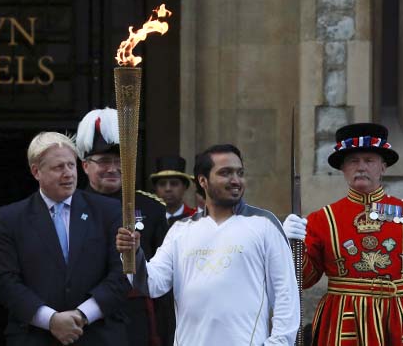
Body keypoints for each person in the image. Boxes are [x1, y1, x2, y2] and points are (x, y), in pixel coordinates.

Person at [283, 123, 403, 346]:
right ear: (343, 168)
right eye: (353, 161)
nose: (361, 167)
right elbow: (305, 279)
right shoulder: (323, 219)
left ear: (383, 167)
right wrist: (292, 245)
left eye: (369, 160)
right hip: (343, 326)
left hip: (400, 323)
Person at [117, 144, 300, 345]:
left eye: (240, 173)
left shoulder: (264, 224)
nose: (236, 180)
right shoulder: (181, 230)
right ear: (203, 181)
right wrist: (132, 252)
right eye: (225, 173)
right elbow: (151, 284)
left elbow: (286, 294)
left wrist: (279, 343)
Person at [0, 132, 131, 346]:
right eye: (58, 167)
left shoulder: (107, 212)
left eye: (71, 165)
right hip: (35, 337)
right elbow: (6, 281)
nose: (69, 174)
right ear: (36, 171)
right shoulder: (10, 219)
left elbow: (122, 273)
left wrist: (82, 315)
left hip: (98, 335)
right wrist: (51, 320)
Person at [76, 108, 170, 346]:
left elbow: (165, 278)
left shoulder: (152, 208)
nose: (113, 168)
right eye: (104, 161)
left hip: (136, 320)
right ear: (85, 165)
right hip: (86, 316)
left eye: (120, 160)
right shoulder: (71, 207)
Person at [150, 155, 196, 226]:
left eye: (174, 184)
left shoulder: (196, 218)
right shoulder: (148, 218)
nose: (168, 189)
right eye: (162, 184)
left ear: (185, 187)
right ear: (155, 188)